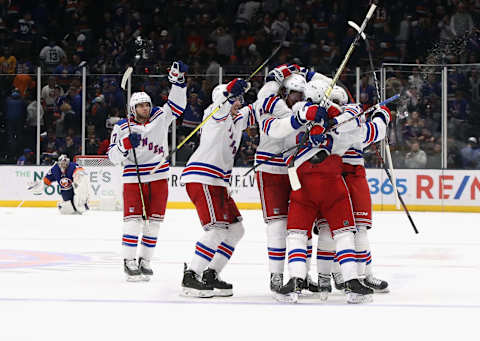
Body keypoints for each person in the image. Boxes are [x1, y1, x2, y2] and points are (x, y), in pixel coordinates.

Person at [108, 61, 188, 282]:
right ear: (133, 109)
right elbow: (113, 157)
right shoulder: (122, 127)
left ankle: (145, 260)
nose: (145, 108)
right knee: (133, 221)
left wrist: (178, 82)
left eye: (147, 105)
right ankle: (128, 260)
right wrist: (125, 144)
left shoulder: (160, 117)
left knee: (154, 222)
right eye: (140, 106)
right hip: (134, 177)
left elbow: (177, 106)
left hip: (159, 176)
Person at [180, 78, 250, 297]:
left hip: (218, 182)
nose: (238, 102)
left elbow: (258, 109)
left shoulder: (236, 119)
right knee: (217, 229)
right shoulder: (214, 114)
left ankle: (211, 272)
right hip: (203, 177)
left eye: (239, 99)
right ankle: (191, 276)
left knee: (236, 230)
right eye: (235, 99)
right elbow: (221, 103)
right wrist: (230, 91)